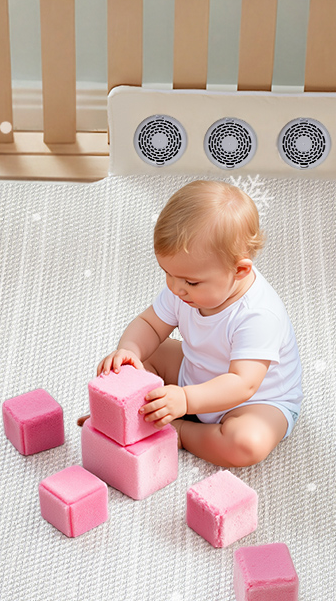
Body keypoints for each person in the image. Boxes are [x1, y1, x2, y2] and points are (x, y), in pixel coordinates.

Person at [91, 179, 302, 468]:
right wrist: (129, 350)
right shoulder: (184, 288)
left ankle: (181, 432)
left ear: (239, 271)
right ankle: (130, 413)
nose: (176, 288)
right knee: (140, 358)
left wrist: (186, 400)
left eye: (190, 282)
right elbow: (150, 325)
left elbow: (243, 383)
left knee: (247, 444)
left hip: (254, 401)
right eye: (167, 273)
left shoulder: (259, 315)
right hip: (195, 370)